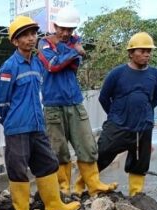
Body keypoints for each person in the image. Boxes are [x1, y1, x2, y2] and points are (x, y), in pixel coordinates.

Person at [0, 16, 81, 210]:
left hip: (37, 125)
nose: (31, 39)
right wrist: (12, 120)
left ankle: (53, 203)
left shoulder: (36, 62)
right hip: (17, 128)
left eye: (33, 34)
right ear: (15, 41)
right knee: (18, 167)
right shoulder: (10, 66)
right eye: (25, 35)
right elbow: (0, 101)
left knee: (48, 162)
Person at [37, 6, 117, 197]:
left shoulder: (75, 41)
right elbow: (52, 65)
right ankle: (63, 188)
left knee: (87, 144)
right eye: (62, 29)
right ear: (55, 25)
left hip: (74, 100)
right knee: (59, 149)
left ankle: (93, 183)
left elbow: (72, 66)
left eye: (70, 30)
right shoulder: (43, 43)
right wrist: (74, 52)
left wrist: (68, 54)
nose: (66, 33)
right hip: (52, 104)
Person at [97, 32, 157, 196]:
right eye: (142, 51)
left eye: (149, 51)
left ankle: (136, 195)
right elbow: (104, 97)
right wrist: (116, 115)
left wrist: (144, 115)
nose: (146, 54)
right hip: (118, 124)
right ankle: (82, 187)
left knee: (140, 162)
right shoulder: (117, 73)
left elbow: (154, 100)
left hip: (143, 127)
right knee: (102, 153)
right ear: (131, 52)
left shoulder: (155, 74)